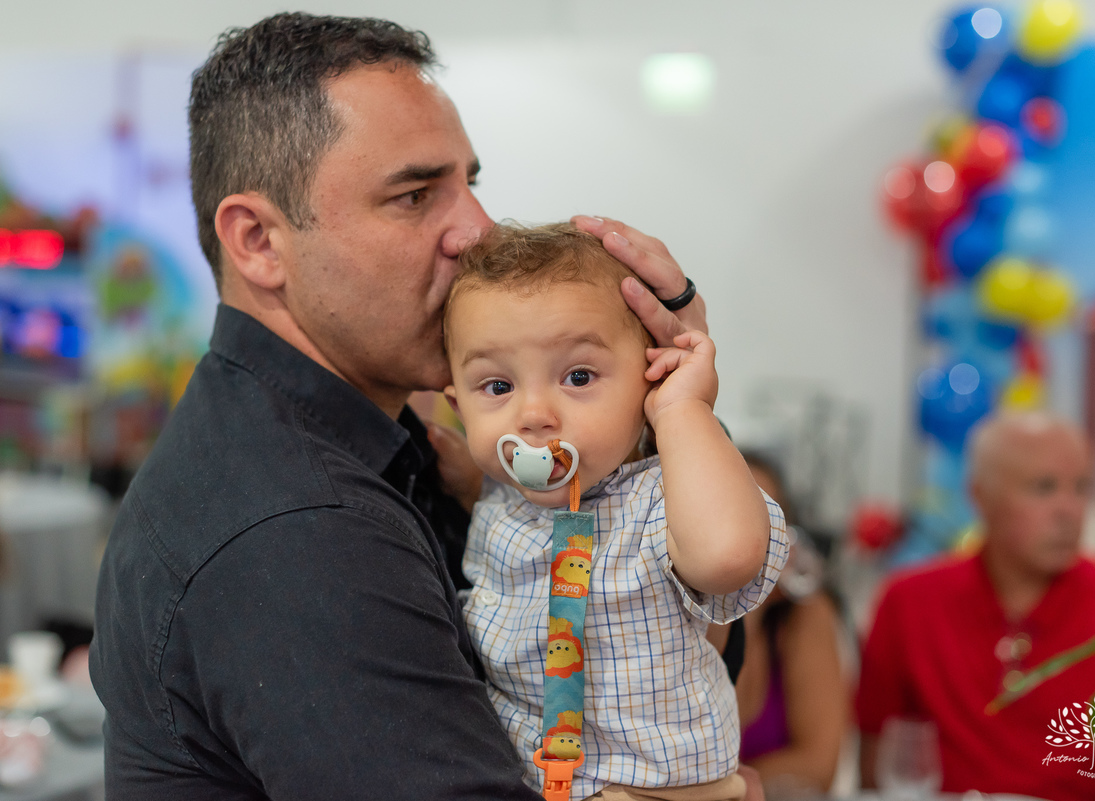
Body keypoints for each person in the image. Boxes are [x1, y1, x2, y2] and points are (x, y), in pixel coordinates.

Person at [88, 13, 716, 800]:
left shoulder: (398, 442)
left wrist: (665, 412)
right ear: (257, 241)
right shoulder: (297, 527)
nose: (479, 231)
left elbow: (651, 659)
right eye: (416, 195)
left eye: (469, 184)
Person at [442, 223, 789, 801]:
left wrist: (682, 410)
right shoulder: (499, 500)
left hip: (661, 789)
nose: (533, 414)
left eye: (578, 376)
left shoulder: (660, 497)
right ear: (458, 404)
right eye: (497, 385)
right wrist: (463, 484)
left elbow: (729, 557)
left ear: (650, 379)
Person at [856, 411, 1095, 801]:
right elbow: (879, 768)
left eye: (1081, 488)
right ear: (980, 496)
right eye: (1044, 488)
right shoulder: (907, 602)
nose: (1069, 510)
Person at [735, 454, 847, 795]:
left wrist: (750, 606)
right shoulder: (657, 617)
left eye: (763, 517)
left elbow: (818, 766)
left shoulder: (805, 614)